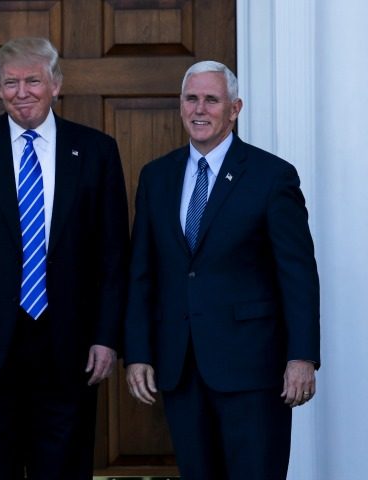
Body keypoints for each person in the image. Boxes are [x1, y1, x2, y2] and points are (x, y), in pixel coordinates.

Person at [0, 37, 130, 480]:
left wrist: (106, 336)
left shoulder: (96, 150)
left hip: (70, 347)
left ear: (56, 84)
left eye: (33, 81)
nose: (22, 92)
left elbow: (113, 256)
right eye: (11, 82)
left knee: (63, 468)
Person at [124, 60, 320, 480]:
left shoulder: (271, 176)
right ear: (180, 105)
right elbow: (143, 271)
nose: (200, 109)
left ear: (234, 109)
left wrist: (302, 356)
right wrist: (138, 351)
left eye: (211, 100)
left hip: (252, 367)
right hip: (180, 365)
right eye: (191, 98)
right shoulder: (156, 177)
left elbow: (297, 273)